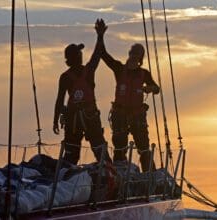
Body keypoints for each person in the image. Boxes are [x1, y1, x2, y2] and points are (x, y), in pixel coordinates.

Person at [100, 22, 160, 172]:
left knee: (143, 147)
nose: (134, 57)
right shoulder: (119, 69)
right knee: (120, 146)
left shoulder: (144, 74)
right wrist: (100, 36)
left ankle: (149, 174)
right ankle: (118, 173)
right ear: (129, 54)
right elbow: (104, 56)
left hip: (137, 114)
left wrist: (149, 88)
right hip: (120, 114)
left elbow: (157, 89)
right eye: (133, 53)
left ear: (140, 58)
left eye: (137, 54)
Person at [53, 19, 111, 165]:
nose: (81, 54)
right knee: (100, 150)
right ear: (77, 57)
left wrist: (55, 120)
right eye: (79, 53)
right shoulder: (89, 70)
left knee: (71, 155)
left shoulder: (65, 77)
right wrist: (100, 35)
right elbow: (97, 54)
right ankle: (110, 175)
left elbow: (60, 101)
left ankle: (64, 177)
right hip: (89, 115)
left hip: (72, 118)